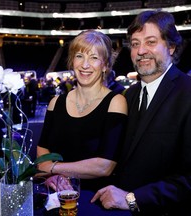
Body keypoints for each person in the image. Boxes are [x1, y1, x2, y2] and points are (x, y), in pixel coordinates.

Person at [91, 10, 191, 216]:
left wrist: (132, 200)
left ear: (171, 46)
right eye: (135, 44)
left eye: (151, 42)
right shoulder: (128, 95)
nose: (141, 50)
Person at [36, 29, 128, 192]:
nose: (85, 65)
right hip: (56, 195)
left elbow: (104, 166)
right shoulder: (55, 103)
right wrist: (52, 175)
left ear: (105, 65)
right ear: (72, 61)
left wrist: (52, 168)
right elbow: (43, 148)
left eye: (94, 58)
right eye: (79, 56)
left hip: (95, 198)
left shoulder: (116, 102)